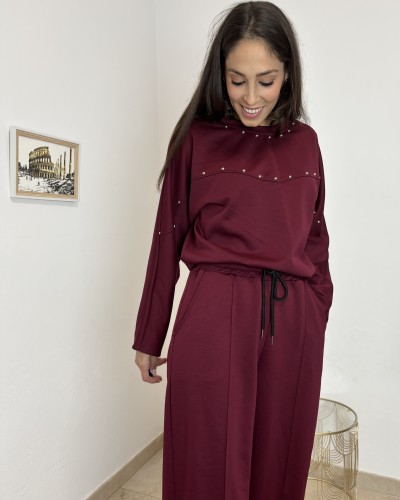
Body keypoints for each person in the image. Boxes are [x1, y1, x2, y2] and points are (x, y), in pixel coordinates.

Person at [132, 1, 334, 499]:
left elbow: (315, 239)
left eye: (266, 80)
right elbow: (166, 236)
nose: (251, 96)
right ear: (219, 74)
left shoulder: (305, 143)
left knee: (279, 462)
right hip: (214, 312)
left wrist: (315, 312)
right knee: (206, 463)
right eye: (236, 80)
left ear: (288, 73)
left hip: (292, 322)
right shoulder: (197, 140)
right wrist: (149, 334)